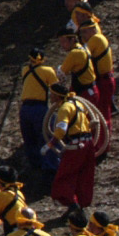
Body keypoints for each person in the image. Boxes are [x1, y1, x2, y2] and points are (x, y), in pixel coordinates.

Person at [45, 81, 98, 209]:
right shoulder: (78, 103)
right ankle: (81, 204)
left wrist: (50, 144)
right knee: (84, 175)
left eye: (52, 94)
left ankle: (72, 204)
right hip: (88, 144)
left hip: (76, 146)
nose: (50, 96)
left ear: (57, 96)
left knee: (64, 176)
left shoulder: (64, 108)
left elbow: (61, 130)